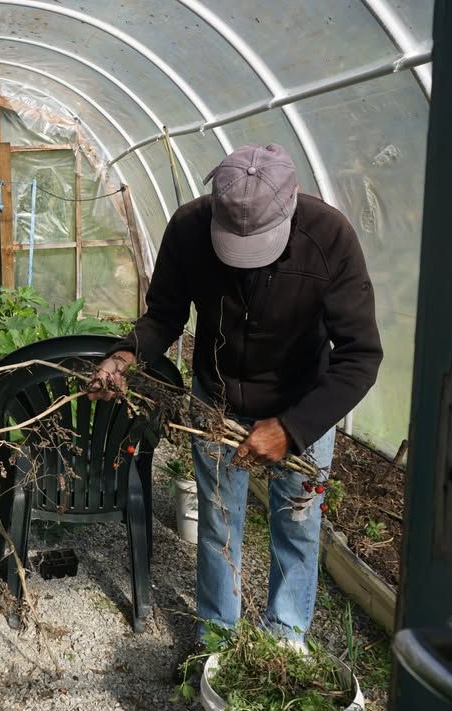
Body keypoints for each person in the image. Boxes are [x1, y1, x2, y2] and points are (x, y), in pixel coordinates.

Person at [91, 144, 382, 645]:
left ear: (290, 205)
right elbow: (164, 315)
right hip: (216, 398)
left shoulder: (329, 237)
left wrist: (293, 429)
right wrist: (124, 356)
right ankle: (217, 639)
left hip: (301, 402)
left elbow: (360, 357)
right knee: (219, 522)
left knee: (297, 524)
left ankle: (284, 641)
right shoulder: (187, 229)